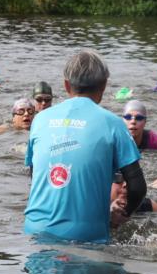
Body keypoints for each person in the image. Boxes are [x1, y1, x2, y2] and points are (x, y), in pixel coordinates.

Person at [24, 50, 146, 243]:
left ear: (66, 84)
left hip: (34, 230)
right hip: (86, 237)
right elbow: (138, 187)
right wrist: (119, 218)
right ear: (104, 85)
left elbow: (34, 173)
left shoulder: (39, 120)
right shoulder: (113, 124)